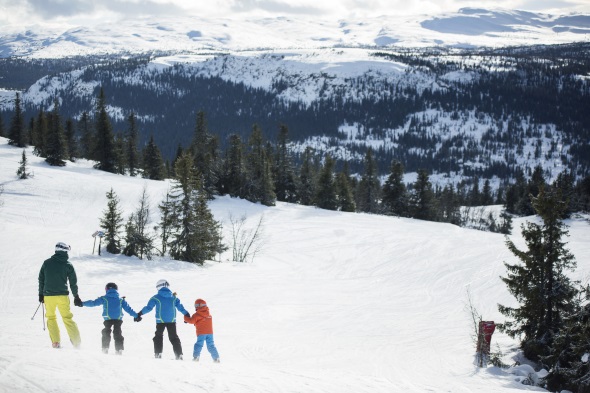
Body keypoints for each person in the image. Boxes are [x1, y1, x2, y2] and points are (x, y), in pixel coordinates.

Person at [38, 242, 82, 349]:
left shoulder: (46, 263)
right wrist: (76, 296)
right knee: (67, 318)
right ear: (65, 251)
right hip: (62, 296)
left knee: (51, 318)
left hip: (48, 296)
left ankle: (56, 342)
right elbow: (73, 282)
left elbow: (41, 279)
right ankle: (76, 342)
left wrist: (41, 294)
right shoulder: (68, 265)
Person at [76, 282, 140, 355]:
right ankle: (119, 349)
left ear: (106, 289)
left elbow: (93, 303)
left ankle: (105, 347)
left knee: (106, 331)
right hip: (118, 319)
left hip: (108, 318)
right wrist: (136, 316)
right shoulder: (121, 300)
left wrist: (82, 303)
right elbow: (128, 309)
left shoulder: (104, 298)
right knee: (118, 333)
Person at [137, 279, 190, 360]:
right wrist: (186, 314)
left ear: (158, 287)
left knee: (158, 336)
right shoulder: (174, 297)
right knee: (174, 337)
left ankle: (158, 353)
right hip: (171, 320)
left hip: (160, 321)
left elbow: (148, 308)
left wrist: (140, 313)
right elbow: (180, 307)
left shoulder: (156, 297)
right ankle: (179, 355)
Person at [184, 298, 220, 362]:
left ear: (199, 306)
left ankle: (196, 357)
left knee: (199, 344)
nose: (195, 308)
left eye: (196, 306)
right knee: (211, 345)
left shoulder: (197, 315)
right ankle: (216, 358)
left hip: (201, 333)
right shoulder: (209, 315)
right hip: (210, 333)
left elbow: (192, 321)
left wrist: (185, 318)